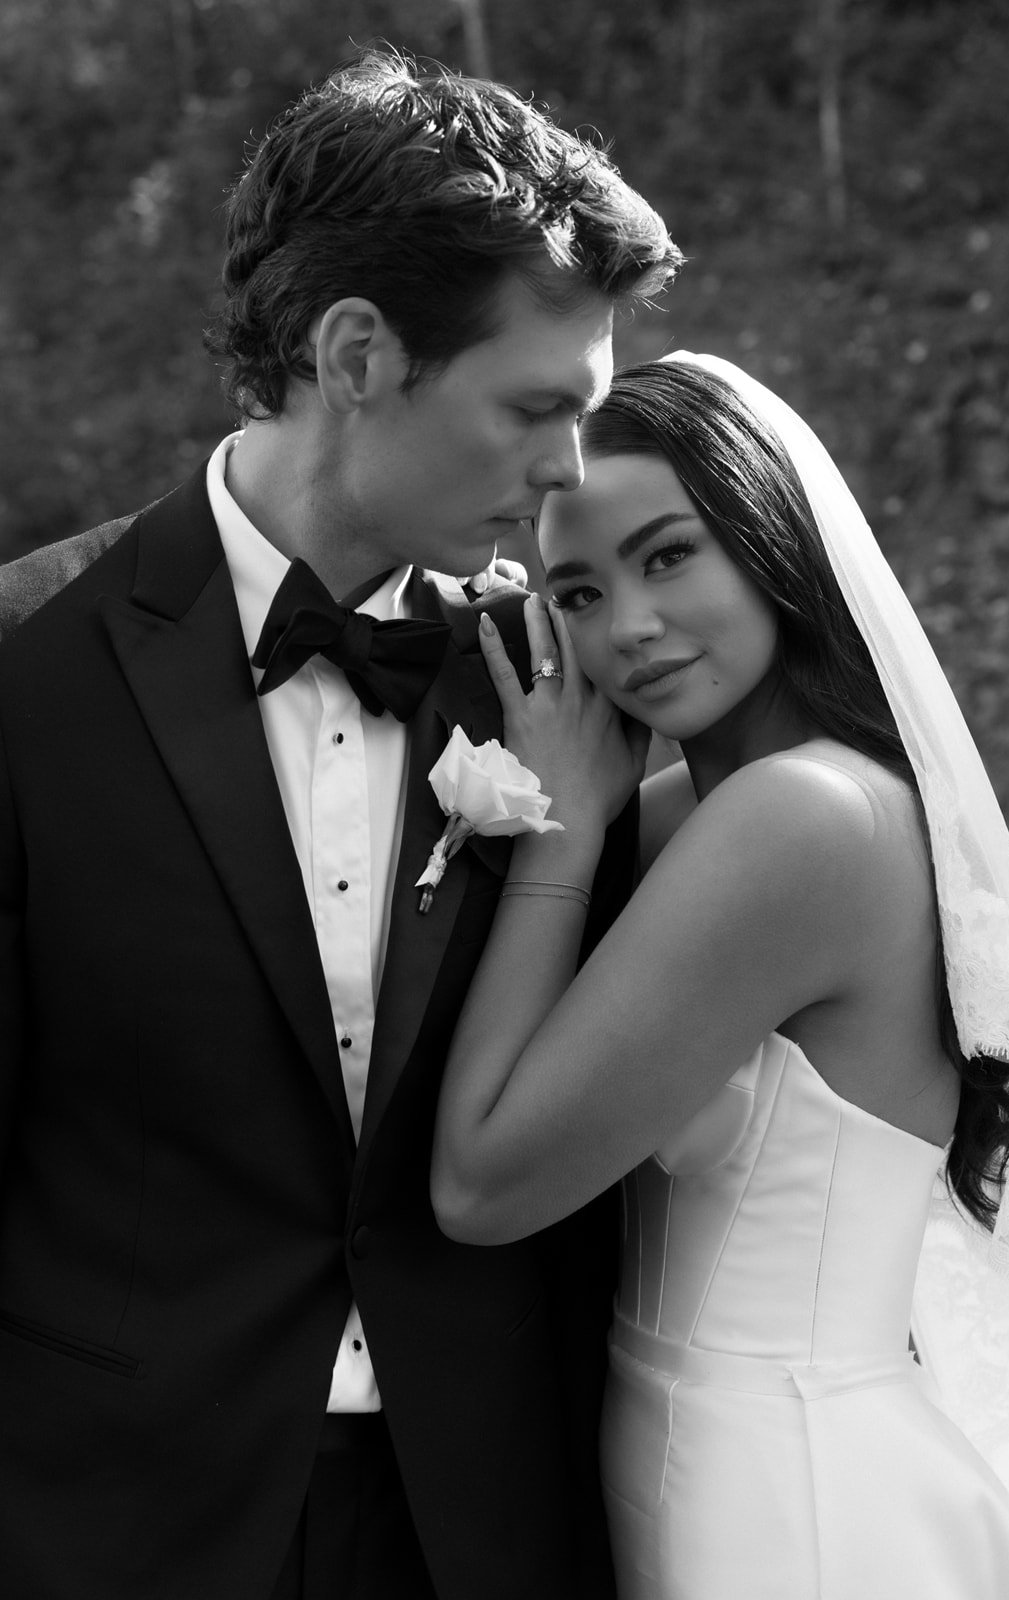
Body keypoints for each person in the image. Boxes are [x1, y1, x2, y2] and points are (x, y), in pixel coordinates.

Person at [0, 50, 681, 1600]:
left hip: (486, 1528)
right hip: (107, 1527)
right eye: (532, 408)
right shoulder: (23, 670)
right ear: (359, 352)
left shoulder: (569, 680)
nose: (565, 473)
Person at [430, 353, 1009, 1598]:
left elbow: (481, 1181)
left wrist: (556, 834)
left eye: (668, 556)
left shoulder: (806, 818)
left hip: (793, 1496)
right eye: (578, 589)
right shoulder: (688, 812)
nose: (628, 629)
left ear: (768, 540)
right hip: (691, 1464)